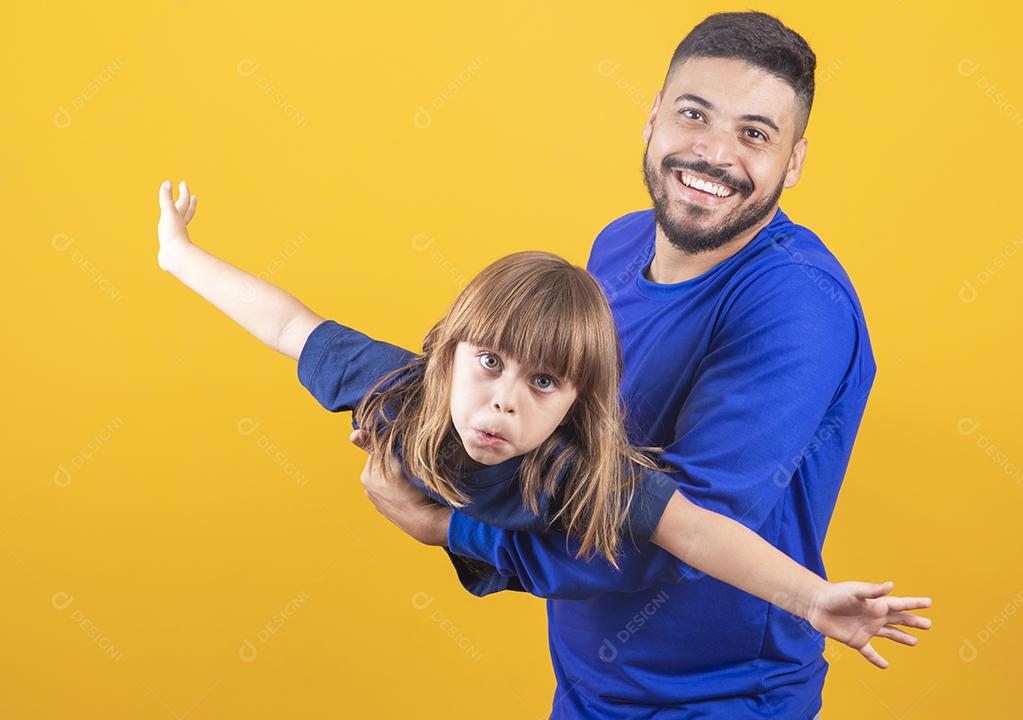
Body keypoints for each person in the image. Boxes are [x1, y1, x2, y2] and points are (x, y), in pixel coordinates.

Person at [353, 10, 910, 719]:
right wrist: (425, 448)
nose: (713, 153)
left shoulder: (797, 305)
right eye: (693, 114)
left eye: (754, 133)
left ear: (793, 162)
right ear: (652, 118)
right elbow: (564, 447)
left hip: (721, 701)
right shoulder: (617, 246)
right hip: (594, 687)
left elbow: (677, 531)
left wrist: (451, 529)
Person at [155, 179, 931, 675]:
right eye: (488, 363)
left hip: (681, 661)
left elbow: (696, 530)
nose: (505, 403)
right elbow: (291, 324)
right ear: (447, 353)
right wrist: (181, 255)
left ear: (578, 403)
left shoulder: (577, 472)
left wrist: (810, 599)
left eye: (545, 383)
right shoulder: (398, 392)